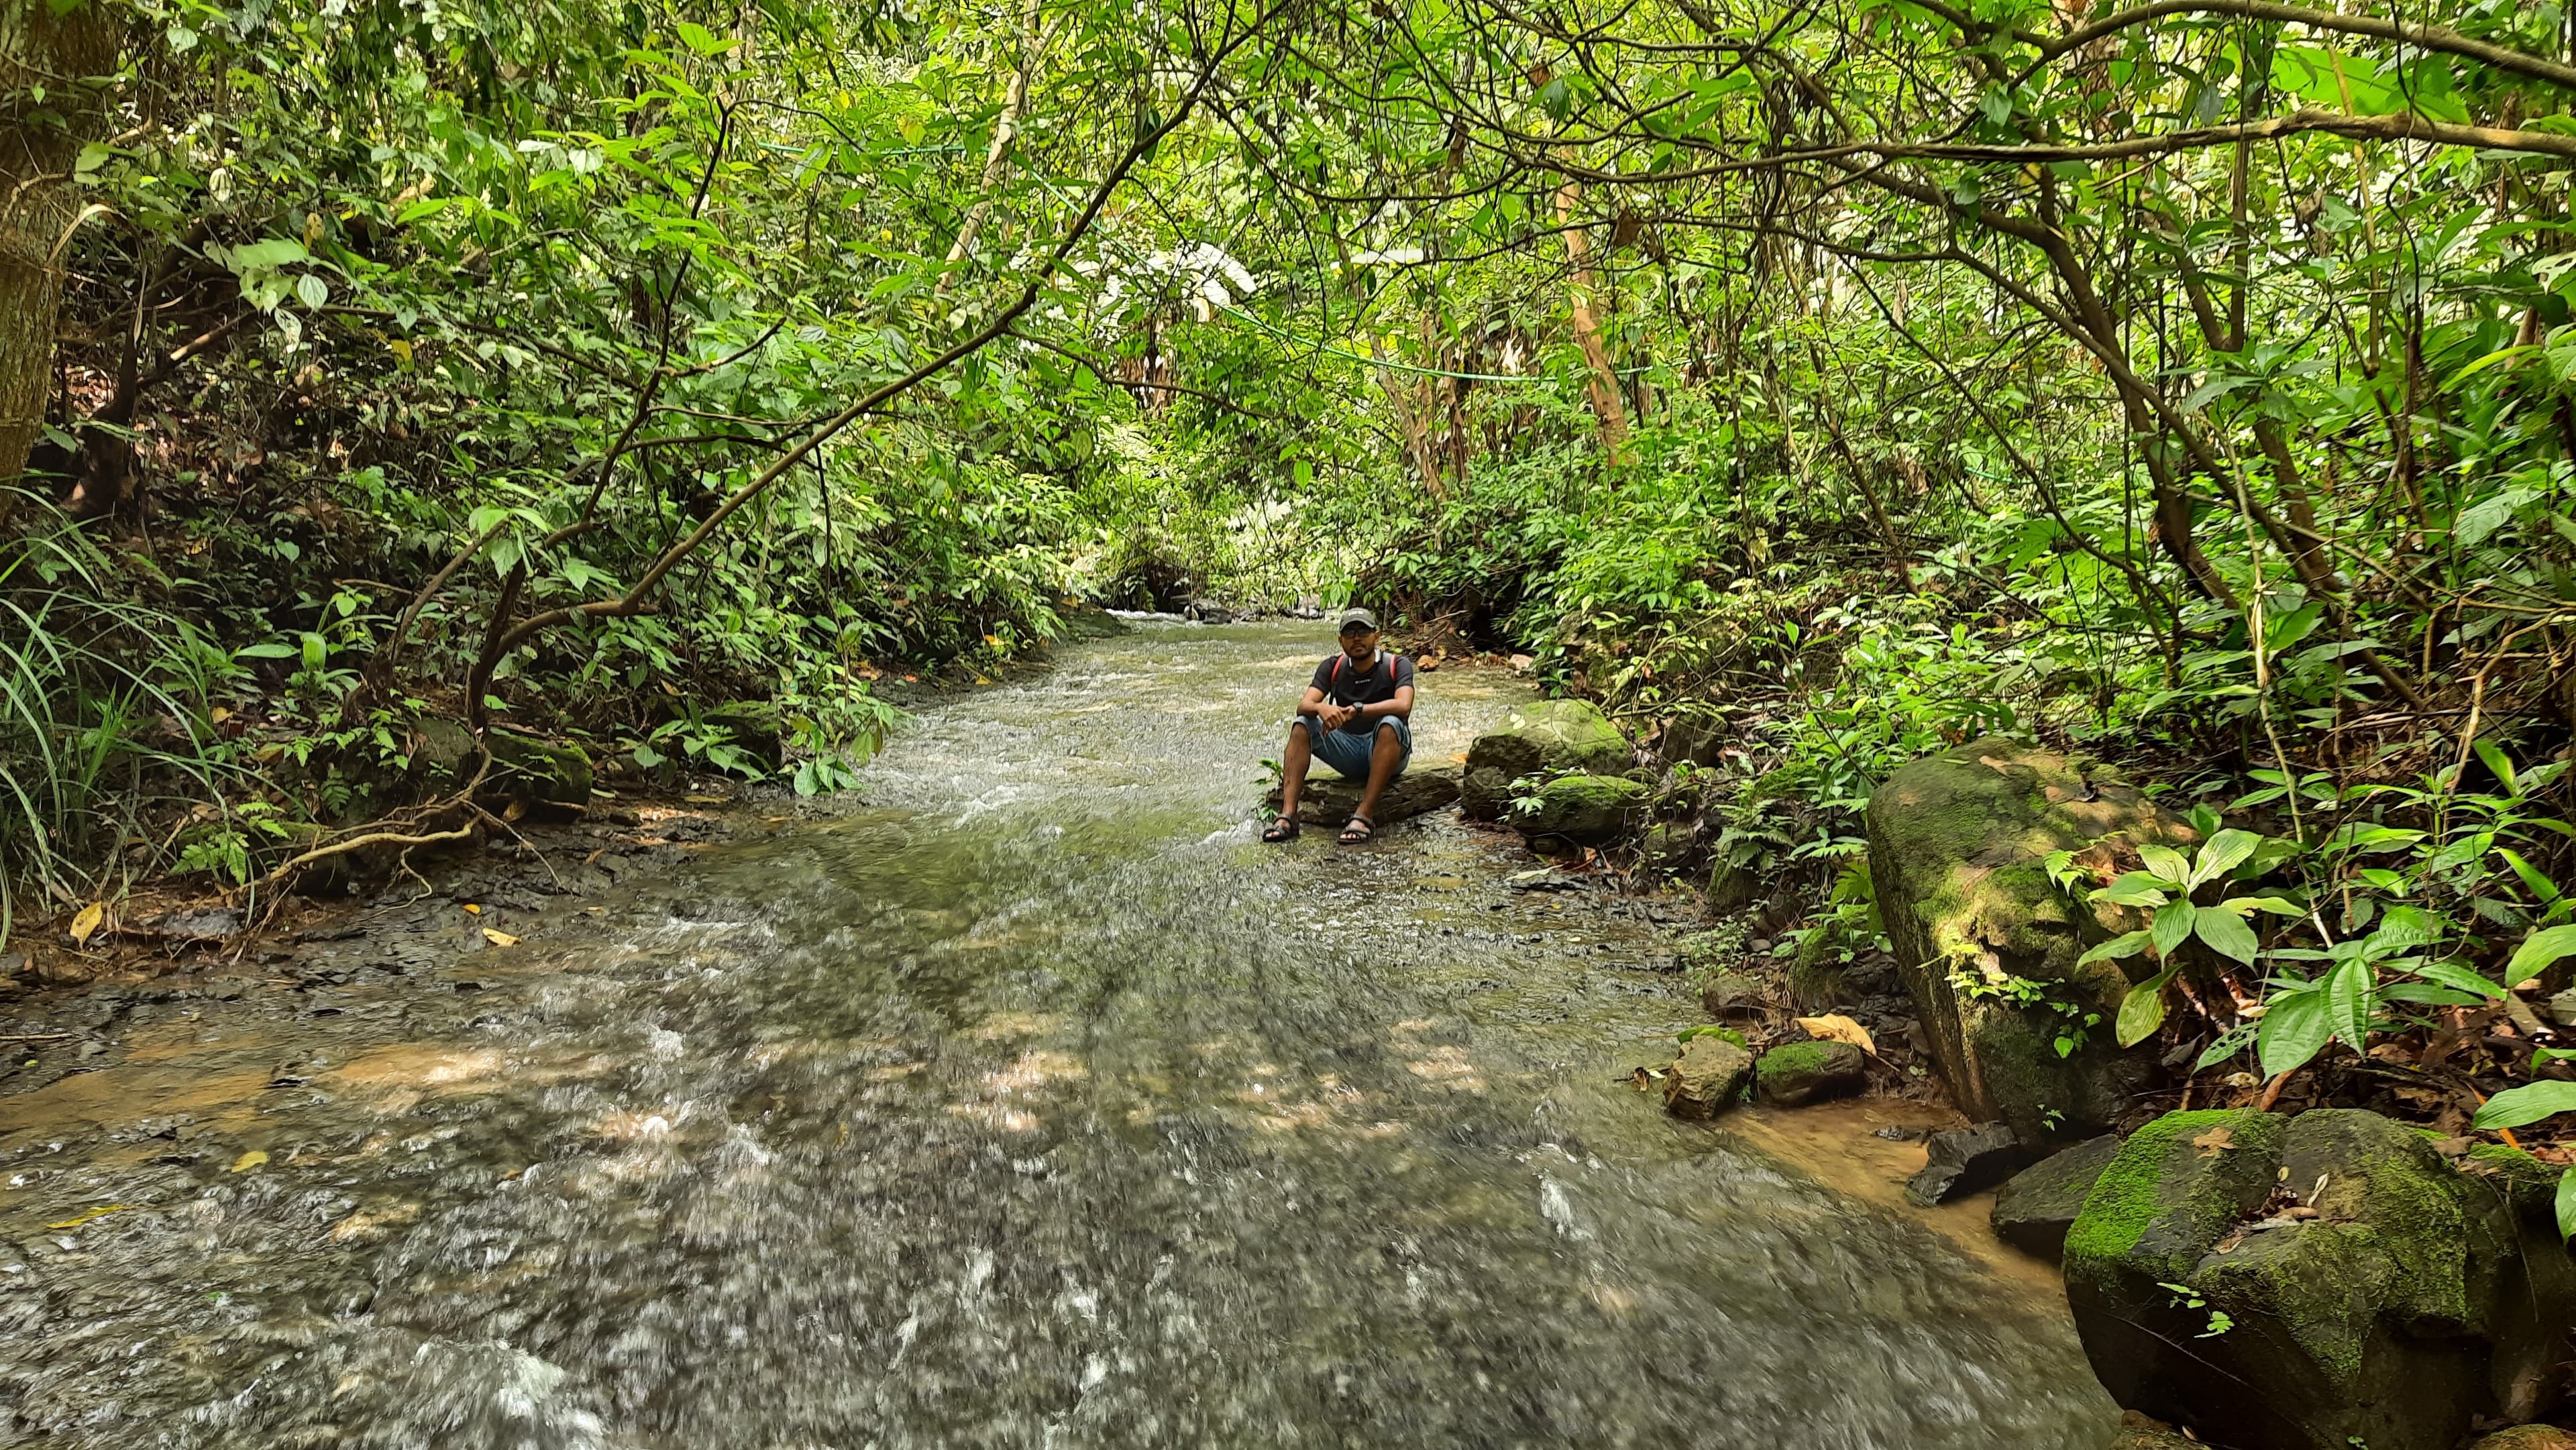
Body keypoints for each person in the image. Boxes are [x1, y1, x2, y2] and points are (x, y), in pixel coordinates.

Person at [1265, 608, 1414, 844]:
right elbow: (1304, 705)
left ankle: (1364, 815)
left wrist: (1357, 710)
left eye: (1363, 632)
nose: (1357, 638)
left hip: (1388, 751)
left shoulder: (1397, 664)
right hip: (1348, 751)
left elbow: (1404, 705)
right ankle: (1289, 815)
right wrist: (1321, 708)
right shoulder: (1332, 667)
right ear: (1340, 640)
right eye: (1350, 633)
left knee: (1390, 723)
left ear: (1377, 636)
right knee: (1302, 724)